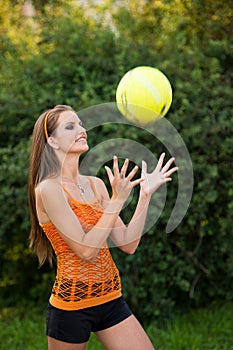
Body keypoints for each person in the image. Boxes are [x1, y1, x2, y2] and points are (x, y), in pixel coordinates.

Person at [28, 104, 178, 350]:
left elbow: (128, 243)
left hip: (110, 300)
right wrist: (117, 200)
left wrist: (145, 195)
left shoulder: (96, 185)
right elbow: (86, 251)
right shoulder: (48, 189)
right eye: (70, 126)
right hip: (71, 306)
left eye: (80, 124)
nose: (82, 129)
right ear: (52, 142)